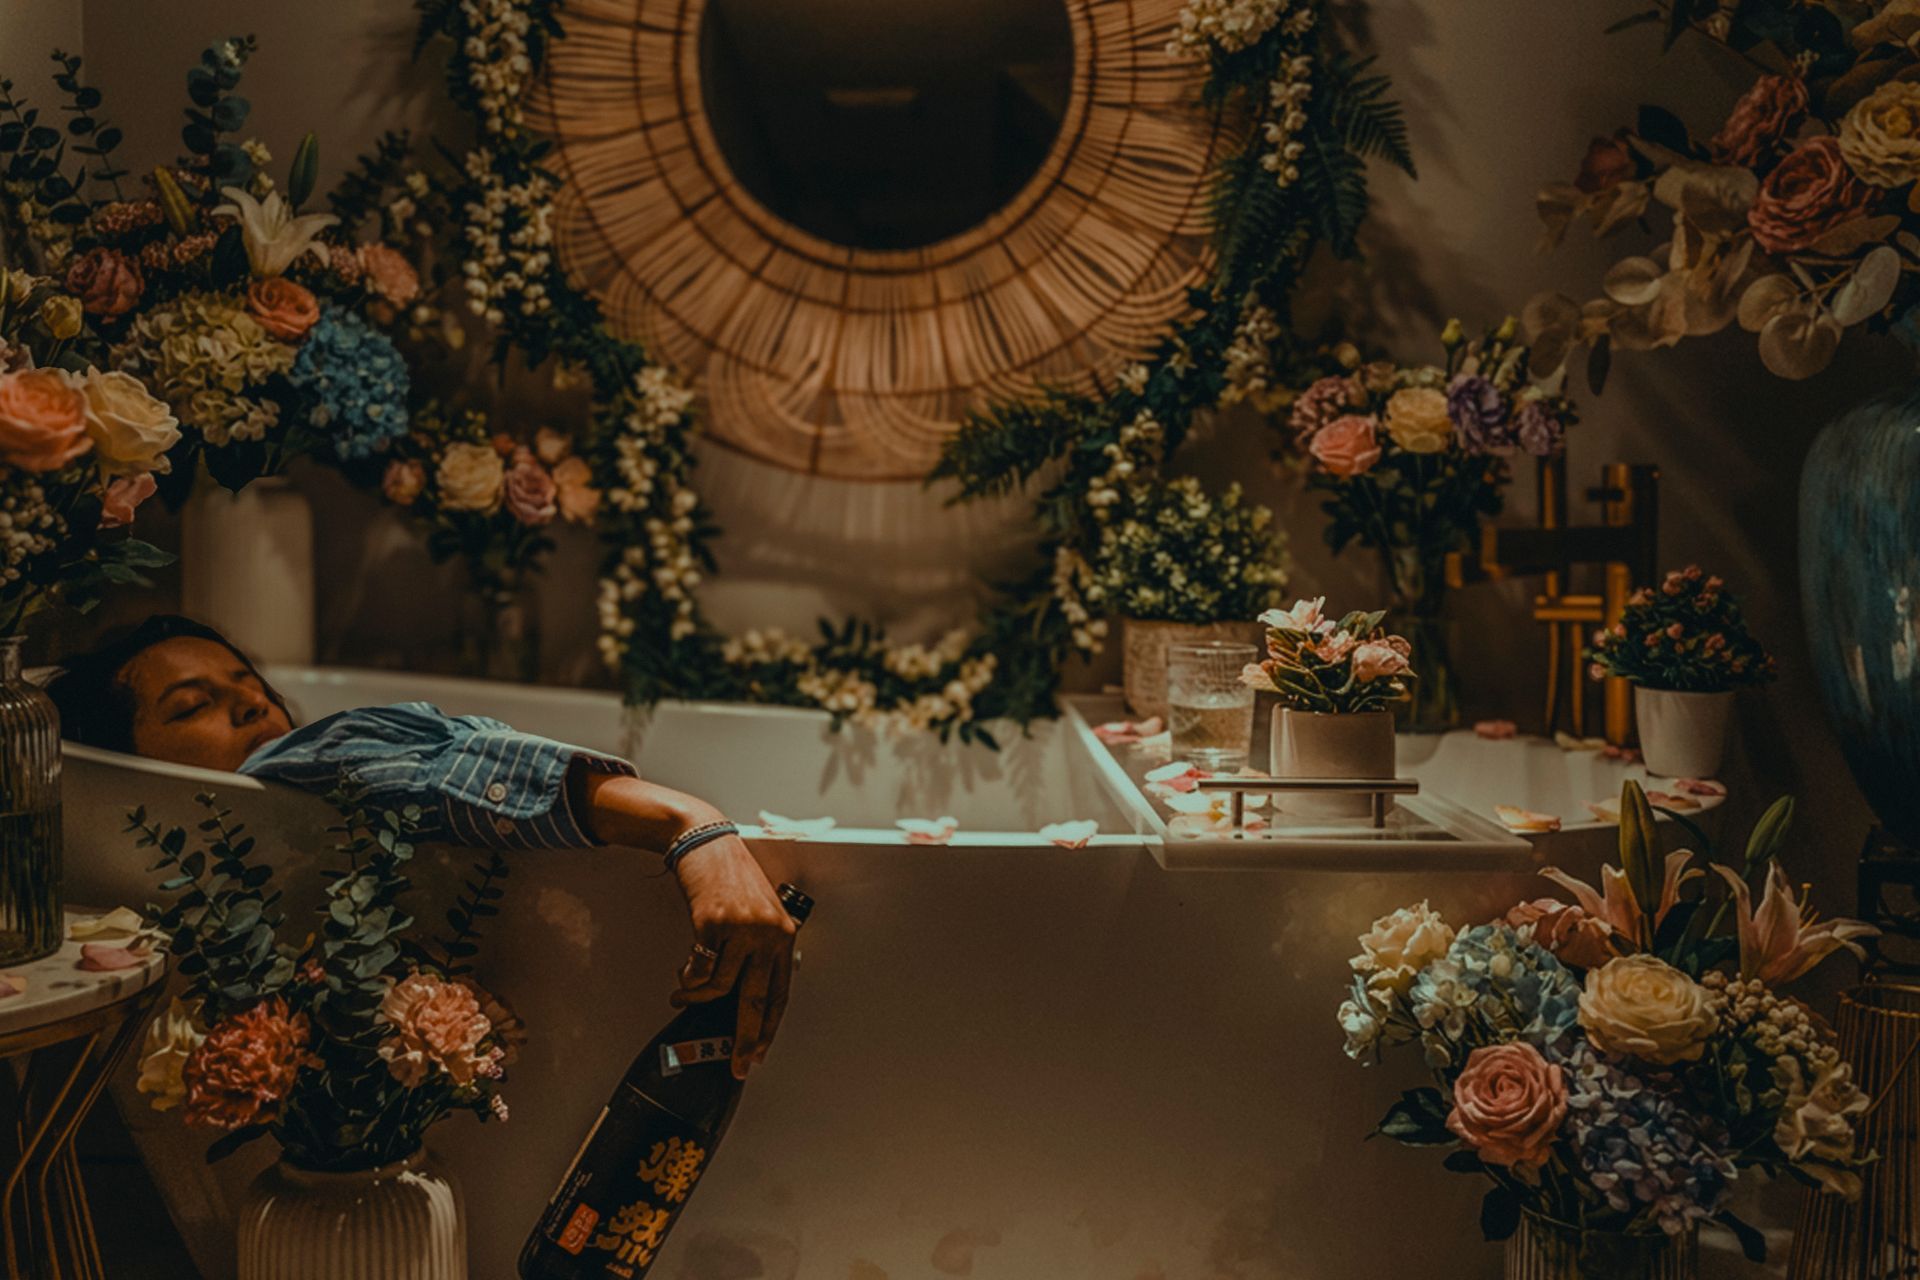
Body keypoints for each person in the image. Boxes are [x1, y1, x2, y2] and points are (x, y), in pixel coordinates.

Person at [47, 614, 795, 1079]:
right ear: (123, 770)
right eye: (192, 706)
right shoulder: (298, 766)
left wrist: (693, 828)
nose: (249, 702)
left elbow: (429, 769)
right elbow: (435, 770)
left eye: (251, 684)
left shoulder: (295, 764)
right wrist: (691, 826)